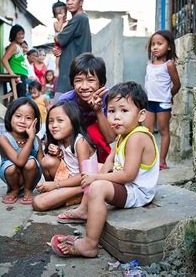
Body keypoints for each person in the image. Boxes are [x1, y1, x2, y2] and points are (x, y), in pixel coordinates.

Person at [50, 81, 159, 258]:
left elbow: (128, 175)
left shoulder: (137, 137)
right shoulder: (124, 134)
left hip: (137, 191)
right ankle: (85, 209)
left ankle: (89, 244)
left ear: (141, 115)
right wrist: (97, 173)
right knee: (94, 168)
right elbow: (110, 160)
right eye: (112, 110)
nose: (116, 117)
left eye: (124, 111)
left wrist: (96, 180)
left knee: (97, 186)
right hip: (128, 185)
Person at [32, 101, 97, 212]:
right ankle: (56, 192)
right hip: (68, 179)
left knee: (38, 203)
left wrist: (55, 185)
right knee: (47, 161)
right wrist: (59, 154)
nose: (54, 125)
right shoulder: (61, 140)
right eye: (51, 121)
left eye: (60, 120)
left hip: (84, 183)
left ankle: (81, 192)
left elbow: (84, 176)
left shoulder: (80, 142)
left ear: (73, 121)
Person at [58, 53, 116, 163]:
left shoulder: (108, 99)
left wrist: (98, 110)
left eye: (90, 80)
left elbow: (110, 138)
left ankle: (102, 167)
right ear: (72, 83)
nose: (84, 87)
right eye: (78, 80)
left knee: (93, 131)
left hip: (100, 152)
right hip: (73, 148)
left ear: (101, 83)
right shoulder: (65, 101)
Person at [143, 30, 181, 170]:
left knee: (164, 131)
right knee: (148, 130)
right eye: (153, 44)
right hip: (149, 102)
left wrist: (168, 96)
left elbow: (177, 84)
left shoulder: (169, 65)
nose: (155, 47)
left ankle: (162, 161)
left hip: (163, 103)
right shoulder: (149, 64)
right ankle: (149, 159)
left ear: (169, 46)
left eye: (160, 44)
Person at [0, 97, 43, 205]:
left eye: (28, 118)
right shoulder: (4, 139)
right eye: (18, 116)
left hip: (31, 178)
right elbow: (19, 161)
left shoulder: (37, 140)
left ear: (35, 121)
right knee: (11, 167)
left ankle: (28, 190)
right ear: (10, 117)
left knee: (31, 162)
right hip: (12, 176)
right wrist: (30, 138)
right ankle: (13, 190)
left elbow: (42, 164)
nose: (22, 121)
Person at [54, 0, 92, 94]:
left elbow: (60, 39)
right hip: (75, 70)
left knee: (62, 105)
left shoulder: (79, 18)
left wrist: (57, 36)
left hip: (71, 72)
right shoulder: (82, 18)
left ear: (81, 1)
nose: (69, 2)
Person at [2, 24, 29, 97]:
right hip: (17, 75)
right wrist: (12, 74)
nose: (22, 36)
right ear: (14, 34)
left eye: (23, 34)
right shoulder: (14, 46)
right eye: (19, 34)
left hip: (21, 75)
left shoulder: (18, 46)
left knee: (18, 96)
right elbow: (4, 60)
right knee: (20, 98)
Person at [52, 0, 68, 76]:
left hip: (66, 45)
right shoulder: (55, 23)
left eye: (62, 13)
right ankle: (57, 68)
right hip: (58, 44)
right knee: (58, 55)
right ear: (55, 15)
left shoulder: (69, 22)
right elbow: (58, 29)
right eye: (58, 14)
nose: (60, 15)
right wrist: (60, 19)